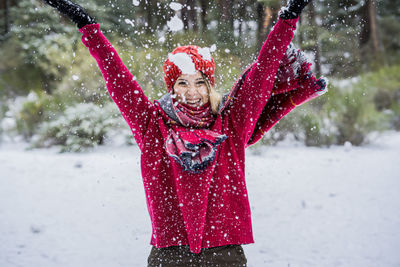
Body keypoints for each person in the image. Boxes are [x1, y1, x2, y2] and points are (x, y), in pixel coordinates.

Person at [41, 0, 326, 266]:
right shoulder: (153, 127)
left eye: (200, 82)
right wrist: (88, 28)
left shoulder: (231, 123)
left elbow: (262, 74)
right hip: (169, 255)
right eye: (182, 83)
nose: (192, 92)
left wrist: (288, 19)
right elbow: (118, 79)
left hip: (224, 254)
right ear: (171, 87)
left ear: (209, 85)